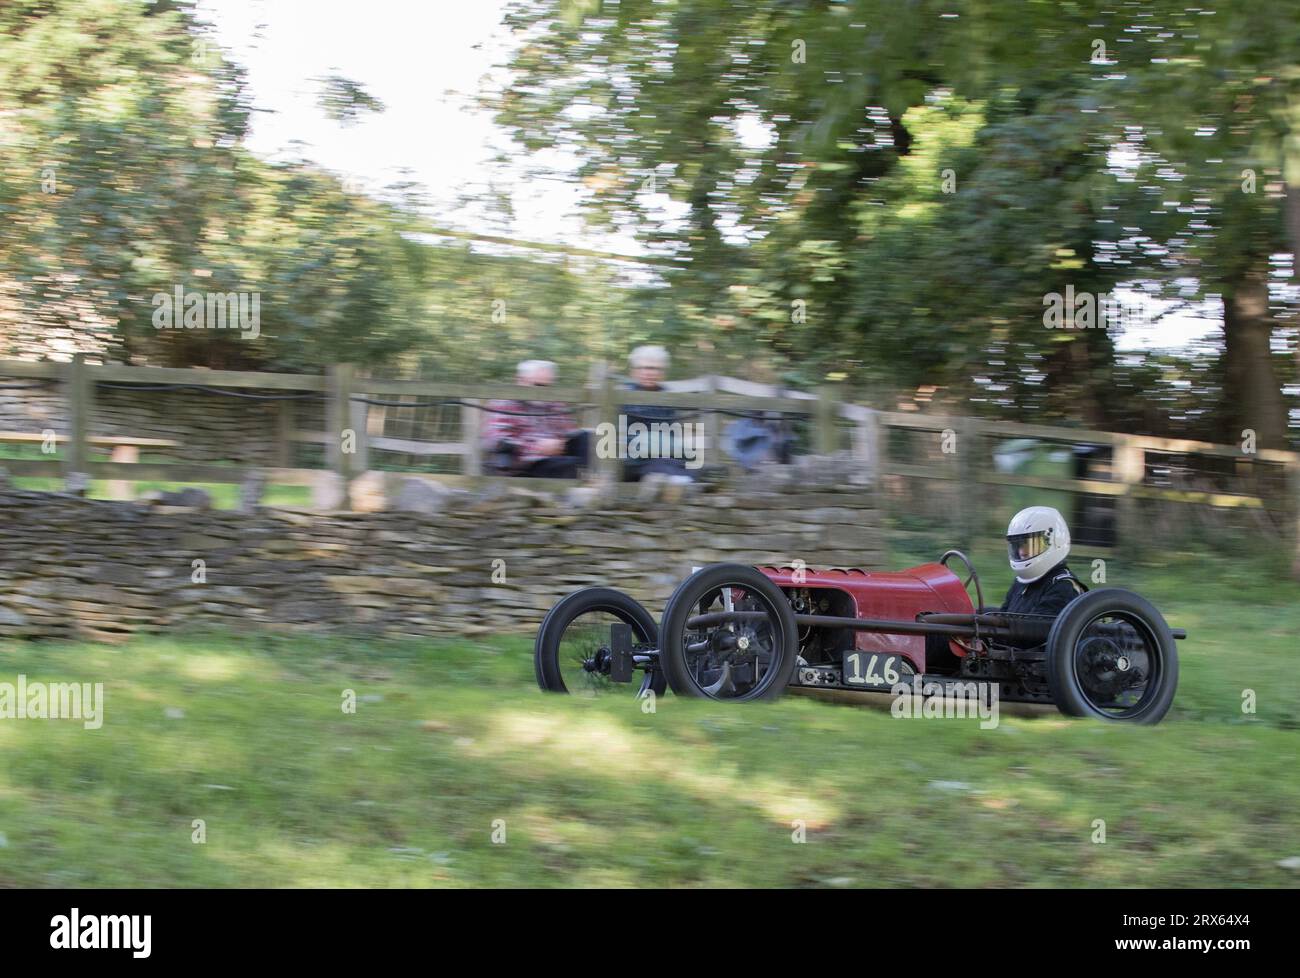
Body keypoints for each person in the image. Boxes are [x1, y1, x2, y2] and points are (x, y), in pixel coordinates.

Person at [482, 360, 588, 478]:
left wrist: (560, 444)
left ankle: (597, 484)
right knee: (570, 465)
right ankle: (585, 486)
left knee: (587, 437)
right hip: (526, 465)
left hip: (557, 457)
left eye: (548, 386)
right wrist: (537, 448)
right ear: (520, 380)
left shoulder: (556, 404)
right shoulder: (504, 403)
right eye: (538, 385)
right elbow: (497, 441)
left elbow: (569, 433)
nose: (544, 391)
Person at [620, 344, 693, 483]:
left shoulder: (668, 398)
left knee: (679, 465)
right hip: (632, 459)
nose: (648, 372)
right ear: (634, 372)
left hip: (663, 456)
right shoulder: (623, 395)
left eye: (654, 368)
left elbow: (672, 435)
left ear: (662, 373)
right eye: (643, 368)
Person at [998, 505, 1086, 616]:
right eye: (1018, 545)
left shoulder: (1063, 587)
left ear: (1055, 542)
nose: (1021, 552)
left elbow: (1036, 629)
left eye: (1029, 545)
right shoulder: (1020, 582)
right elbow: (1002, 617)